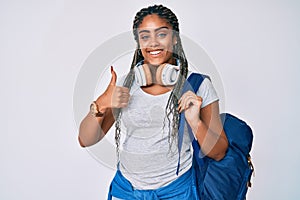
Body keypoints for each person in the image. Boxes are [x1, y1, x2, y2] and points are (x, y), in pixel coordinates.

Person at [78, 4, 228, 200]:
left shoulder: (198, 85)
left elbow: (219, 152)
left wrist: (195, 121)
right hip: (126, 192)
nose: (153, 43)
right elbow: (85, 139)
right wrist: (102, 103)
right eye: (145, 36)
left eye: (162, 34)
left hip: (176, 192)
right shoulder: (125, 84)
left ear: (174, 38)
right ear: (139, 42)